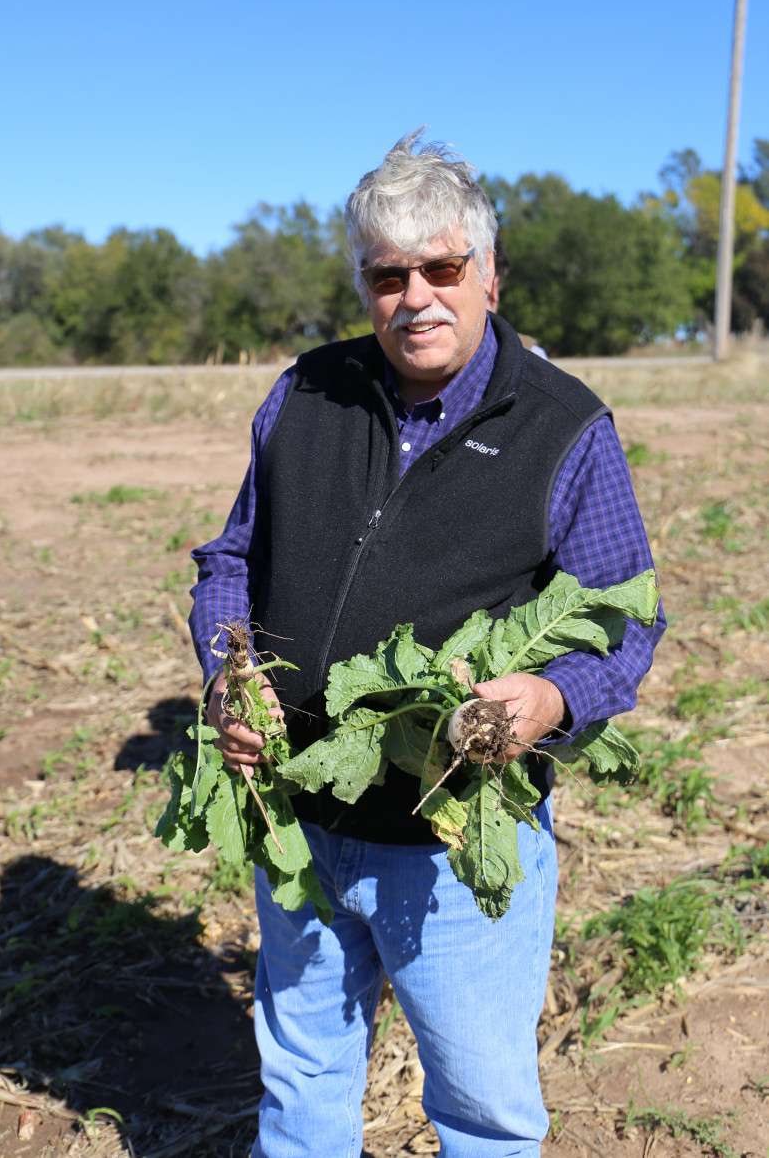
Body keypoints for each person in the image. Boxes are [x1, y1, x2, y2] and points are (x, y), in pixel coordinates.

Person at [190, 132, 664, 1158]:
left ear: (487, 273)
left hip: (456, 839)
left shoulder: (561, 425)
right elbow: (230, 560)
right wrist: (226, 674)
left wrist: (546, 699)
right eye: (386, 275)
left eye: (442, 269)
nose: (416, 297)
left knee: (480, 1106)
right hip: (302, 823)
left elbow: (625, 620)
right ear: (365, 285)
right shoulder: (303, 397)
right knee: (304, 1076)